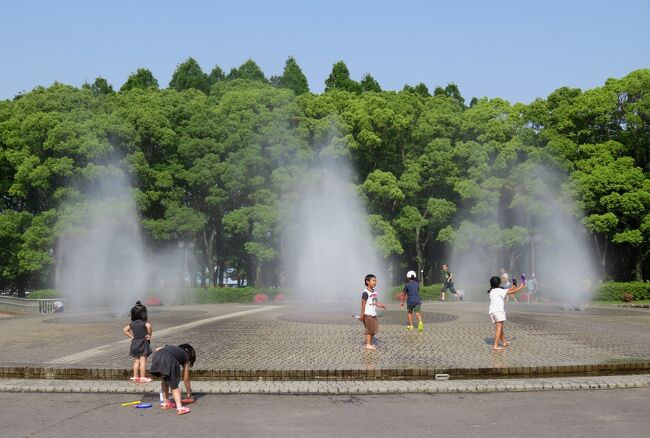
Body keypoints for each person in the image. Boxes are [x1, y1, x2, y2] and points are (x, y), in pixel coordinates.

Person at [150, 343, 195, 415]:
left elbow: (157, 349)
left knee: (165, 379)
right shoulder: (186, 357)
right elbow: (186, 379)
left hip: (157, 356)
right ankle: (180, 408)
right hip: (169, 359)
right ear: (189, 355)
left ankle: (166, 403)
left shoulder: (173, 348)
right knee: (174, 384)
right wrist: (189, 391)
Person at [487, 276, 524, 350]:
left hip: (492, 312)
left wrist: (514, 285)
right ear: (499, 283)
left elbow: (509, 289)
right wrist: (521, 286)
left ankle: (504, 342)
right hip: (498, 311)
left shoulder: (492, 291)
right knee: (499, 328)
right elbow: (512, 292)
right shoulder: (499, 290)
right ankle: (495, 345)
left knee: (500, 328)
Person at [123, 301, 153, 383]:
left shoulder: (132, 324)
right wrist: (149, 335)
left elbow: (125, 330)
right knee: (143, 361)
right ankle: (143, 377)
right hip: (143, 343)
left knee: (136, 361)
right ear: (144, 314)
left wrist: (131, 336)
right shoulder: (145, 323)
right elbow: (149, 327)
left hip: (135, 343)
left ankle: (135, 377)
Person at [359, 274, 386, 350]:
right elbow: (363, 305)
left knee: (374, 330)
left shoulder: (374, 292)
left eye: (375, 281)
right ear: (367, 281)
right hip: (367, 314)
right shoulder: (365, 293)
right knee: (369, 329)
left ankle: (368, 342)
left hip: (373, 314)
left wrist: (380, 305)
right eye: (373, 281)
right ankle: (368, 344)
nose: (375, 282)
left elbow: (375, 302)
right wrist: (362, 315)